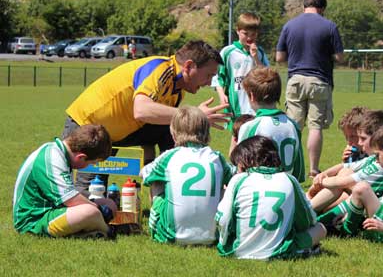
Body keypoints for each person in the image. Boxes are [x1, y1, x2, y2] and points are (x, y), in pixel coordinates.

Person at [63, 40, 230, 195]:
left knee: (172, 127)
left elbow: (159, 119)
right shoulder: (161, 69)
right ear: (188, 66)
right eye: (208, 75)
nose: (209, 83)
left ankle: (165, 186)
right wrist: (194, 114)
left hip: (116, 131)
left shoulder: (178, 89)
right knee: (90, 190)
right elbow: (142, 110)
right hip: (87, 127)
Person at [216, 136, 326, 260]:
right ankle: (302, 249)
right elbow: (308, 220)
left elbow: (223, 219)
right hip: (279, 252)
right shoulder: (289, 180)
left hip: (239, 251)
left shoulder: (238, 180)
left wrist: (224, 245)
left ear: (243, 163)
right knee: (320, 229)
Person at [276, 0, 344, 178]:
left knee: (293, 127)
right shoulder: (330, 26)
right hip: (319, 81)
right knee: (315, 127)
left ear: (303, 7)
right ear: (322, 8)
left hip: (295, 80)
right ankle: (314, 169)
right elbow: (339, 57)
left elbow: (279, 57)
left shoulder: (289, 25)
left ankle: (289, 167)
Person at [141, 106, 233, 245]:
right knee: (225, 187)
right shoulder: (216, 157)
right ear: (207, 132)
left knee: (156, 180)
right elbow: (235, 176)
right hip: (213, 237)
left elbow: (144, 174)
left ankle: (159, 223)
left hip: (170, 236)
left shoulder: (168, 157)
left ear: (173, 133)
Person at [12, 125, 116, 238]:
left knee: (109, 204)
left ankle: (89, 231)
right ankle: (111, 231)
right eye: (91, 163)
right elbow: (70, 200)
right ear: (80, 157)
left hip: (54, 209)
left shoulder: (59, 152)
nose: (88, 166)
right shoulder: (53, 158)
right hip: (34, 220)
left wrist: (99, 207)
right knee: (91, 212)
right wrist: (98, 209)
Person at [312, 110, 383, 223]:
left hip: (372, 208)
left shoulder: (382, 164)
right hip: (358, 197)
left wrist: (322, 181)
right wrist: (323, 175)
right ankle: (310, 210)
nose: (359, 143)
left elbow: (343, 182)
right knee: (344, 174)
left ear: (377, 138)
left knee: (345, 182)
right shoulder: (373, 159)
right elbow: (344, 167)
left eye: (362, 138)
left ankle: (310, 212)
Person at [237, 67, 305, 182]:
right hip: (286, 189)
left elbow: (241, 170)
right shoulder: (292, 125)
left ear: (252, 96)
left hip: (258, 191)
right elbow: (298, 171)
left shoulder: (249, 127)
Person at [216, 12, 270, 131]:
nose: (250, 38)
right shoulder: (228, 52)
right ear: (238, 31)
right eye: (246, 34)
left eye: (253, 34)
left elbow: (266, 75)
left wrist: (256, 58)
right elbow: (218, 77)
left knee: (254, 139)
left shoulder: (260, 52)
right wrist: (221, 94)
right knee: (236, 140)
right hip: (236, 106)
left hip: (256, 106)